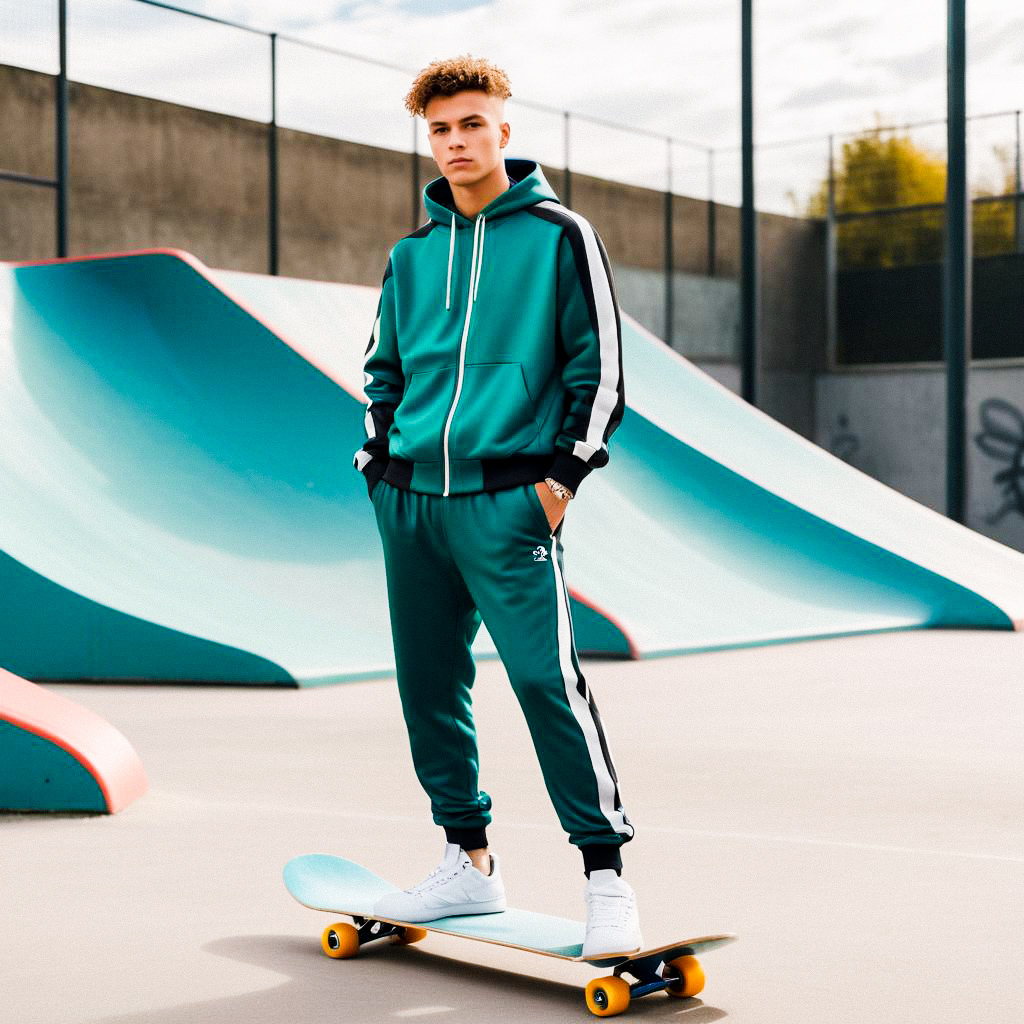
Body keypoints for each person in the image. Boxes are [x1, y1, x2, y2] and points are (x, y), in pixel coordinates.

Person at [352, 53, 640, 956]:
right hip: (412, 505)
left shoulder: (559, 236)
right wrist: (378, 461)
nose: (455, 142)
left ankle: (605, 879)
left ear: (503, 132)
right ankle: (467, 864)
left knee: (546, 683)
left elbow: (602, 373)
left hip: (509, 502)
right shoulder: (411, 254)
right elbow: (384, 370)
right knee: (428, 690)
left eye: (472, 124)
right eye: (440, 129)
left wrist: (559, 482)